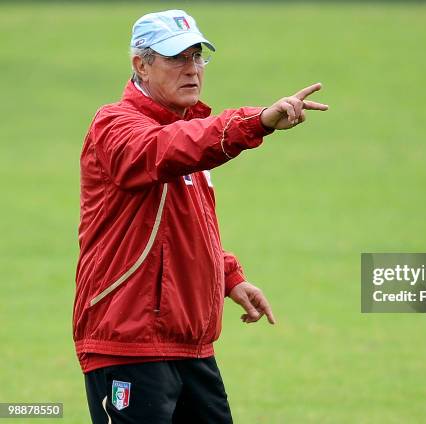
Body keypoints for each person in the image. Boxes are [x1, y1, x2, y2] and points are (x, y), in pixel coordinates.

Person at [72, 9, 328, 423]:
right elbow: (167, 149)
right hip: (127, 342)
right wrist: (256, 121)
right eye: (176, 58)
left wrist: (229, 277)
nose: (191, 69)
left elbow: (183, 227)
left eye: (197, 57)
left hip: (190, 344)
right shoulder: (115, 126)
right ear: (141, 65)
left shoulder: (188, 132)